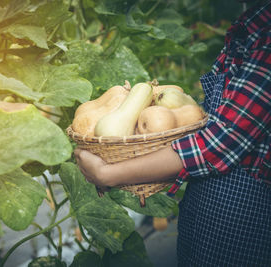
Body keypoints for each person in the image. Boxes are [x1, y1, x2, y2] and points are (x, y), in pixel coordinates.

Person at [74, 1, 271, 266]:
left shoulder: (267, 34)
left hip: (244, 217)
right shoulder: (254, 23)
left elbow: (217, 143)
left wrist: (107, 173)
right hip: (206, 202)